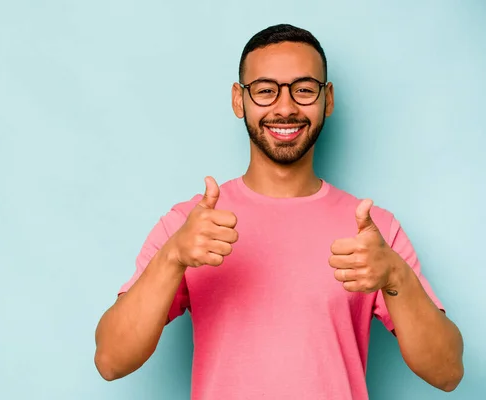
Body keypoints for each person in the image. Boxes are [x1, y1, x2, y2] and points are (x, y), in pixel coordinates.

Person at [93, 24, 464, 399]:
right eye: (266, 91)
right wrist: (172, 256)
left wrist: (394, 274)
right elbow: (111, 360)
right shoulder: (191, 226)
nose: (285, 108)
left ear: (327, 99)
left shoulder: (373, 232)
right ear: (239, 100)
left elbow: (448, 372)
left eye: (303, 90)